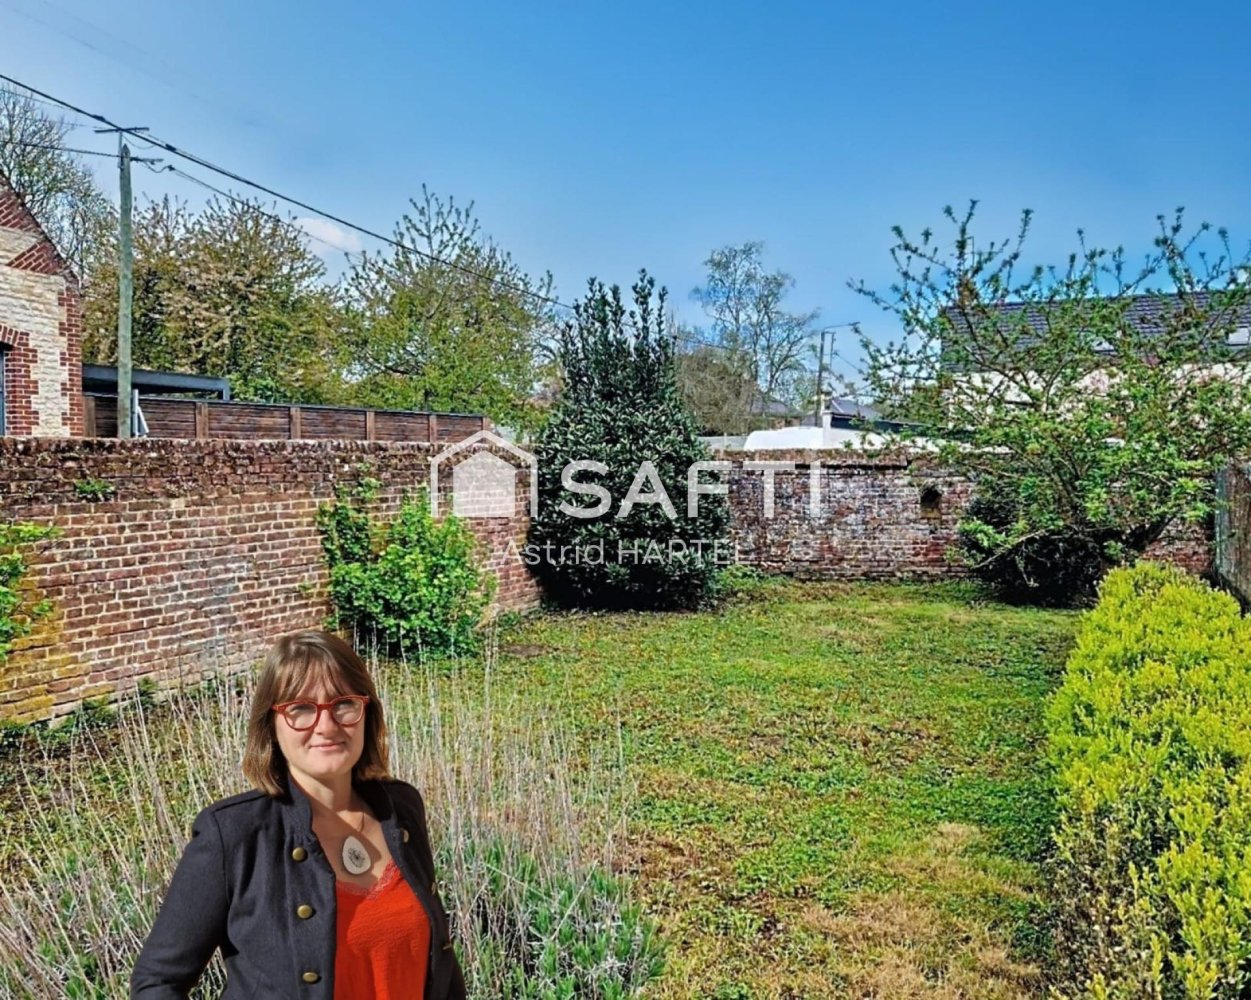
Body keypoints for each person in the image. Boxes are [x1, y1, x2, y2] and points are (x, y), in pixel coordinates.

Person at [131, 629, 467, 999]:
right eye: (301, 709)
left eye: (344, 704)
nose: (327, 725)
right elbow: (157, 982)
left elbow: (440, 966)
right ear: (271, 725)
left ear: (366, 712)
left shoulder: (400, 809)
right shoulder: (235, 835)